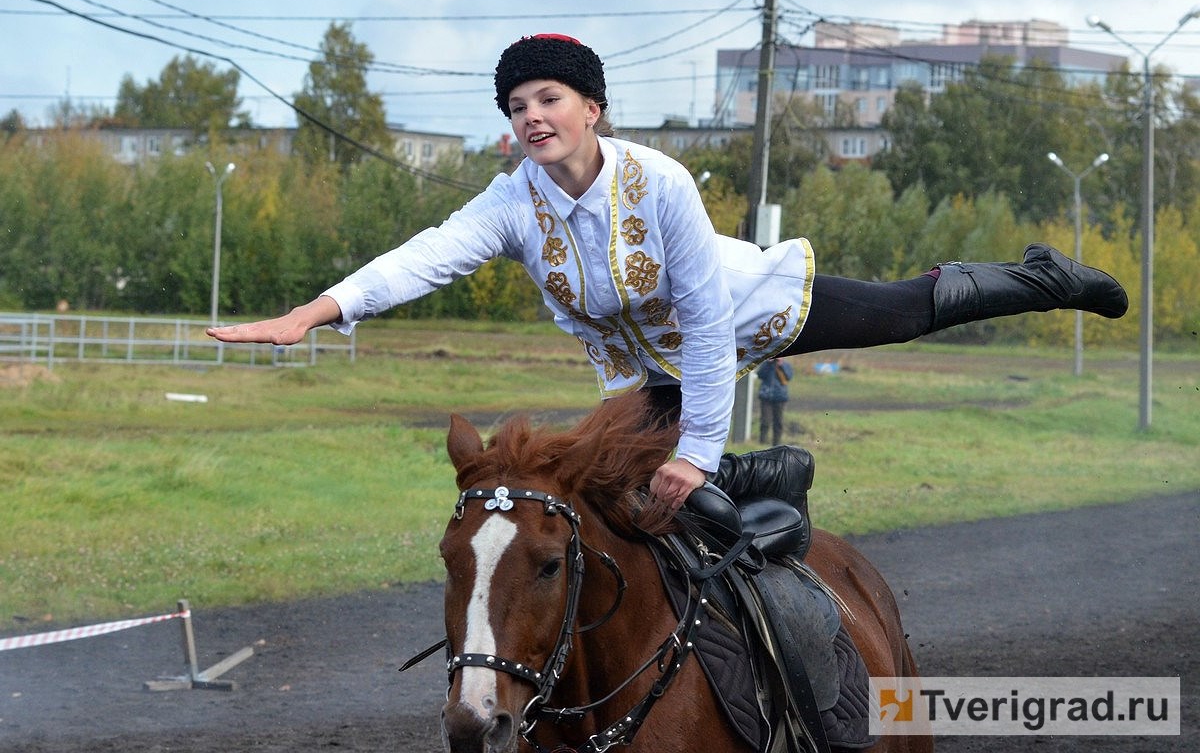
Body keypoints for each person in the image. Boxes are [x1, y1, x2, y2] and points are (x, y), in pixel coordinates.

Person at [207, 33, 1128, 514]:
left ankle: (1045, 277)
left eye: (550, 98)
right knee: (596, 489)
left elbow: (704, 323)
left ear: (592, 108)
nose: (532, 117)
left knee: (907, 310)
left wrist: (696, 453)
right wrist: (312, 313)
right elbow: (422, 258)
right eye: (518, 104)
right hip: (643, 377)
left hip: (744, 315)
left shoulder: (663, 184)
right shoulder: (509, 202)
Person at [757, 357, 794, 446]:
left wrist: (782, 365)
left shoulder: (786, 365)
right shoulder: (766, 364)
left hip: (780, 397)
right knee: (765, 420)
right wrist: (768, 363)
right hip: (766, 397)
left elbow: (789, 376)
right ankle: (762, 442)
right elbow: (760, 375)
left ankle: (776, 443)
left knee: (778, 422)